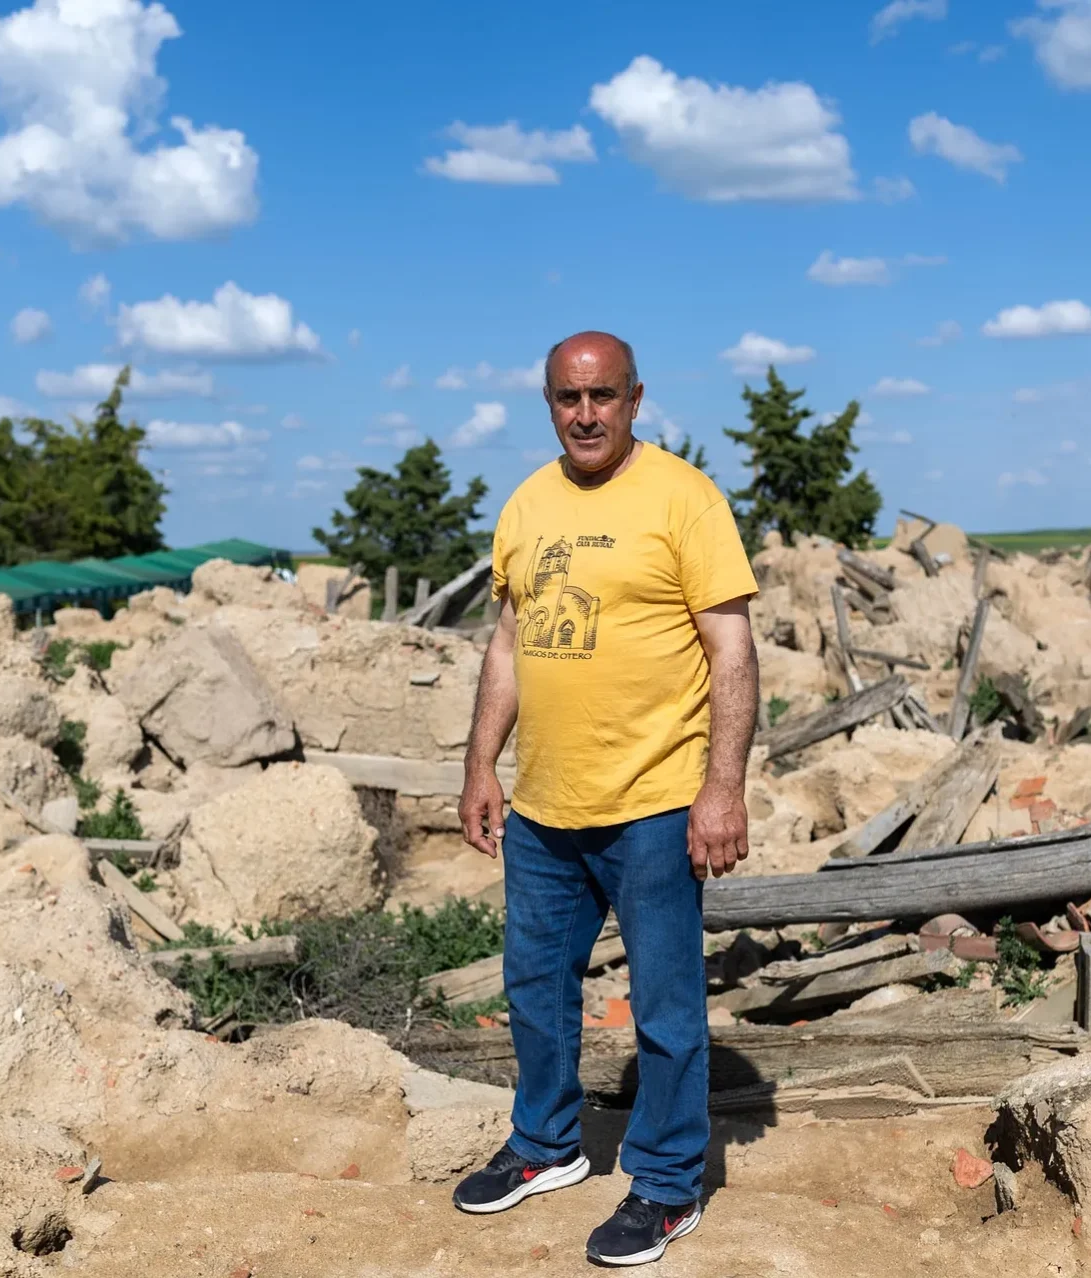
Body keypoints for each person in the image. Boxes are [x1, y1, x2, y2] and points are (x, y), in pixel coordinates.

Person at [452, 331, 759, 1266]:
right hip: (545, 806)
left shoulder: (683, 498)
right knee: (535, 989)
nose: (584, 415)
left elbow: (732, 650)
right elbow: (507, 645)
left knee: (663, 1007)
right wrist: (479, 766)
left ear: (634, 399)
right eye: (566, 399)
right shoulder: (527, 504)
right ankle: (546, 1145)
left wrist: (722, 788)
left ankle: (667, 1184)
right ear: (547, 403)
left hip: (656, 803)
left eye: (603, 397)